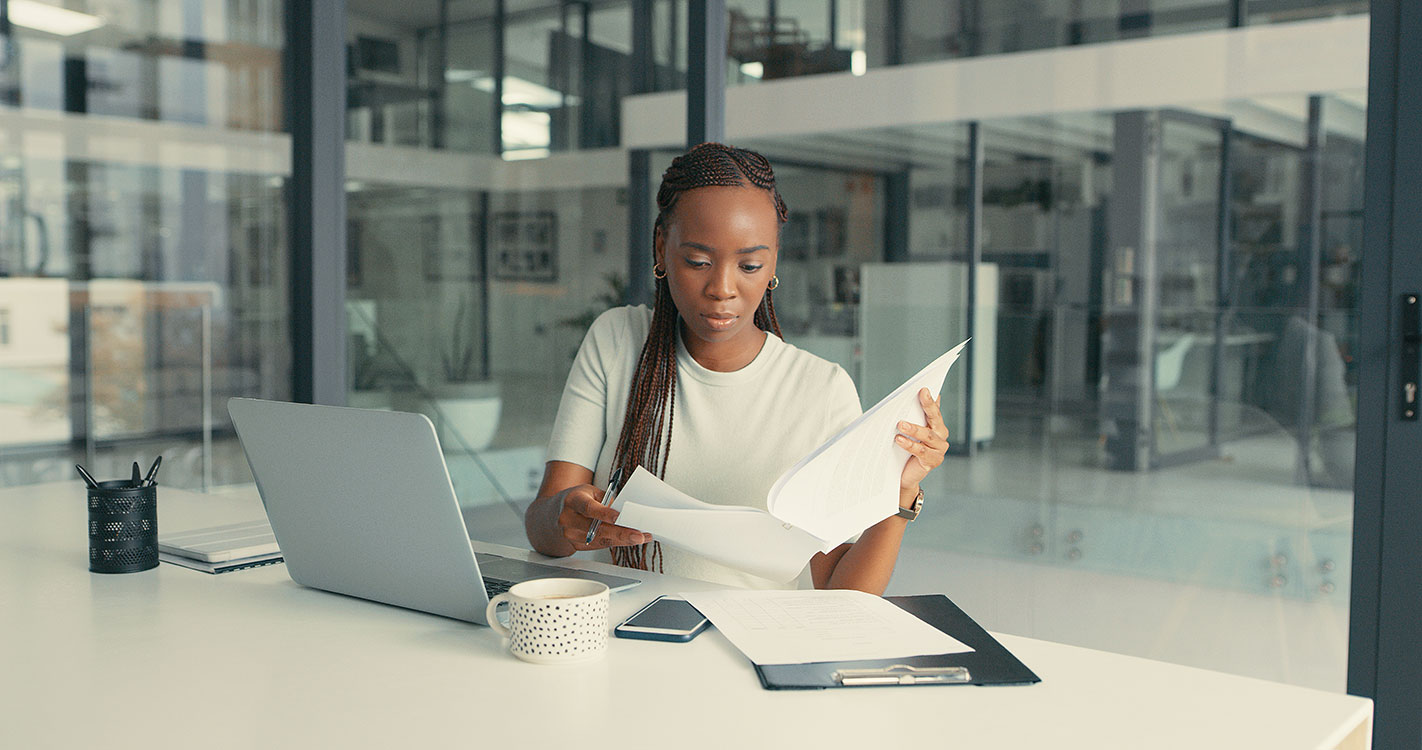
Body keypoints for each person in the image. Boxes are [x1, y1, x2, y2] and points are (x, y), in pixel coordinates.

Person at [523, 143, 949, 594]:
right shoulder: (616, 340)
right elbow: (543, 529)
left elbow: (844, 596)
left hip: (748, 648)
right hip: (619, 637)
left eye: (749, 265)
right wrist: (563, 519)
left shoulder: (821, 390)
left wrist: (899, 495)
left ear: (774, 263)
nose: (722, 288)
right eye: (699, 262)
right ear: (662, 247)